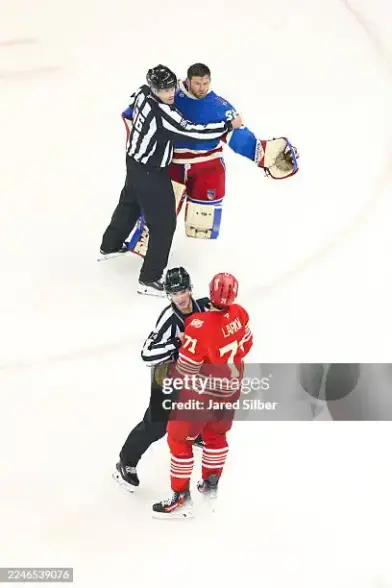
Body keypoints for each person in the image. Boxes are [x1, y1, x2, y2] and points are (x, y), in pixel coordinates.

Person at [124, 63, 298, 255]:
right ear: (188, 81)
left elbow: (237, 136)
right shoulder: (171, 95)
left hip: (207, 167)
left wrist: (264, 154)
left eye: (205, 83)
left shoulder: (218, 106)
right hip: (171, 165)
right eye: (197, 83)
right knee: (156, 214)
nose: (202, 88)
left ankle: (196, 260)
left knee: (201, 225)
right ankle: (141, 247)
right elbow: (136, 114)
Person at [99, 65, 243, 297]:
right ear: (154, 89)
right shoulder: (162, 111)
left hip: (134, 161)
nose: (169, 94)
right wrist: (227, 126)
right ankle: (150, 278)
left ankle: (110, 245)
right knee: (164, 224)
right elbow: (192, 132)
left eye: (170, 87)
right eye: (163, 90)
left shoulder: (142, 93)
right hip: (151, 171)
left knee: (129, 202)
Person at [151, 272, 253, 519]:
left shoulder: (197, 324)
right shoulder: (240, 314)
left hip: (201, 396)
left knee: (179, 440)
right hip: (231, 388)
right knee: (216, 436)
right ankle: (210, 487)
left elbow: (186, 368)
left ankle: (181, 498)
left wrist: (187, 345)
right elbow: (247, 345)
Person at [112, 267, 210, 492]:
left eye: (184, 291)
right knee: (156, 426)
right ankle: (126, 462)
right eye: (175, 294)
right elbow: (147, 354)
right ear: (169, 295)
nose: (181, 298)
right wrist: (177, 344)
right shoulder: (168, 319)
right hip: (166, 375)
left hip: (190, 371)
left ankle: (193, 433)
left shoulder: (204, 307)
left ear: (191, 289)